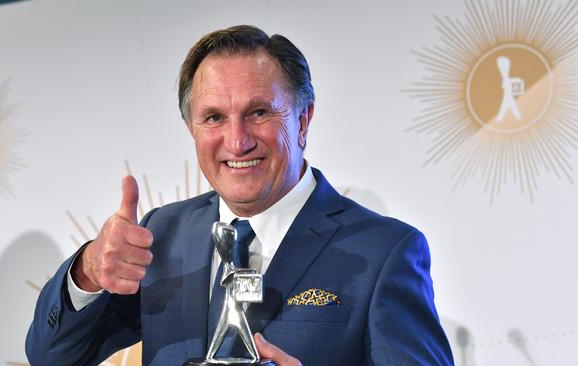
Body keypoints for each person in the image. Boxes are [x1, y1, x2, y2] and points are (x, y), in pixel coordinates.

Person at [26, 25, 454, 365]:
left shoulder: (385, 251)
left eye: (259, 112)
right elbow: (54, 356)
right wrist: (87, 270)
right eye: (214, 117)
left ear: (302, 120)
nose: (237, 141)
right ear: (191, 129)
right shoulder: (162, 235)